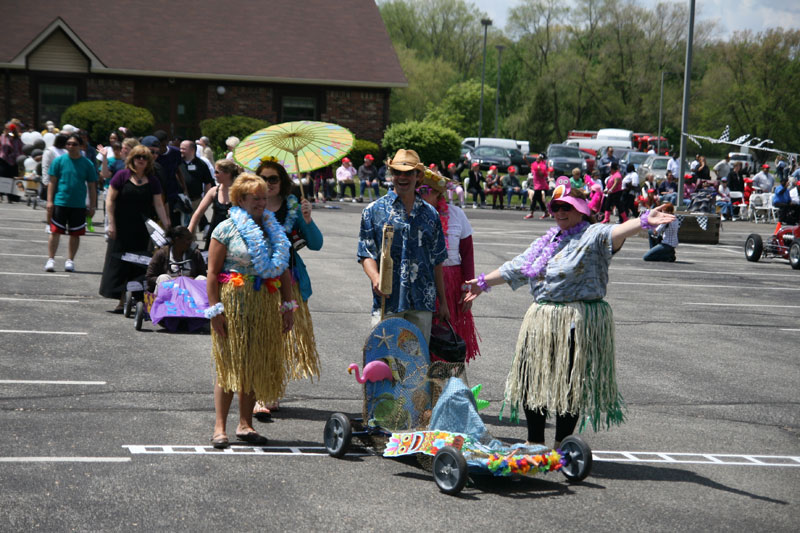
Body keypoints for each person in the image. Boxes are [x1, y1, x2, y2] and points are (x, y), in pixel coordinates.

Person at [463, 177, 676, 448]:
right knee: (532, 379)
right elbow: (516, 267)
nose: (560, 212)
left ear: (582, 210)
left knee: (568, 382)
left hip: (576, 320)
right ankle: (534, 442)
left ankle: (564, 444)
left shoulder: (593, 235)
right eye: (556, 207)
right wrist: (482, 283)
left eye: (567, 207)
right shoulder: (547, 240)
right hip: (542, 319)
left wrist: (645, 220)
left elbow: (618, 231)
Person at [206, 173, 296, 449]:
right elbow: (211, 272)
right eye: (255, 198)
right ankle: (220, 427)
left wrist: (288, 305)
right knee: (231, 363)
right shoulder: (225, 229)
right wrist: (215, 310)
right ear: (240, 199)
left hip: (265, 302)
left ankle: (245, 424)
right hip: (234, 301)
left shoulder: (274, 230)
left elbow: (283, 270)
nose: (261, 202)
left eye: (264, 197)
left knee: (255, 361)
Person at [252, 157, 323, 416]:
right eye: (264, 178)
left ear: (282, 182)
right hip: (254, 282)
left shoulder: (293, 207)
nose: (268, 183)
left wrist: (308, 219)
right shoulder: (250, 207)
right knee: (259, 337)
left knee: (279, 339)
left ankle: (270, 392)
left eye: (274, 179)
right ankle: (259, 393)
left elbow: (315, 244)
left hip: (289, 282)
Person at [357, 148, 449, 345]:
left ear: (419, 176)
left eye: (408, 173)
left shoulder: (431, 215)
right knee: (382, 365)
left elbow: (437, 261)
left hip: (422, 302)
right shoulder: (373, 211)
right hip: (388, 300)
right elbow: (366, 254)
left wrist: (444, 302)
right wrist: (375, 278)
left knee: (414, 369)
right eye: (397, 172)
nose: (402, 177)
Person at [416, 169, 480, 360]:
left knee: (449, 327)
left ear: (439, 193)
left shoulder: (456, 214)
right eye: (419, 189)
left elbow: (467, 253)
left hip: (452, 278)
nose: (421, 193)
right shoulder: (414, 213)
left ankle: (447, 372)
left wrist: (467, 286)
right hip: (423, 278)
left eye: (426, 189)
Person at [99, 145, 171, 311]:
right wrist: (111, 223)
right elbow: (110, 200)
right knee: (119, 261)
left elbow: (159, 204)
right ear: (132, 158)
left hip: (142, 228)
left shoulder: (153, 180)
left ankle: (136, 298)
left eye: (144, 157)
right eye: (138, 156)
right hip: (121, 225)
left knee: (139, 262)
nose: (141, 160)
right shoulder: (121, 176)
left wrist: (167, 224)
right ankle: (121, 299)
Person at [44, 133, 98, 273]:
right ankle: (51, 259)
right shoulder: (59, 161)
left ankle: (70, 260)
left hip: (79, 205)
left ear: (81, 146)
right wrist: (50, 201)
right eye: (68, 144)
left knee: (75, 234)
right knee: (55, 232)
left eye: (74, 144)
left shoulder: (87, 164)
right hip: (60, 202)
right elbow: (52, 182)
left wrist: (92, 206)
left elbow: (92, 186)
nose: (71, 146)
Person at [188, 159, 239, 250]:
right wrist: (189, 233)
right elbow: (198, 213)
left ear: (228, 173)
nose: (214, 175)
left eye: (217, 172)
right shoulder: (214, 191)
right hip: (215, 234)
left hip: (233, 235)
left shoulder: (238, 192)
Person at [145, 226, 207, 295]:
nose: (190, 242)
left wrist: (188, 280)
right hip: (169, 292)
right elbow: (149, 277)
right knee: (163, 277)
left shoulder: (195, 254)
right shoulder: (161, 254)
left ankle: (203, 304)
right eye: (188, 239)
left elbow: (203, 274)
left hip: (189, 292)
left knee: (202, 278)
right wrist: (173, 280)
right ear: (177, 240)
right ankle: (163, 304)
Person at [179, 140, 214, 225]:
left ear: (192, 150)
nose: (181, 151)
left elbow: (208, 183)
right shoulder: (177, 162)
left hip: (196, 200)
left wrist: (206, 199)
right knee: (183, 225)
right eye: (180, 148)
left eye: (184, 149)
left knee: (193, 225)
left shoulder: (201, 164)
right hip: (181, 200)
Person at [526, 154, 550, 219]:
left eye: (538, 158)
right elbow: (530, 166)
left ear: (541, 159)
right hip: (536, 184)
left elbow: (542, 175)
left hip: (541, 185)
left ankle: (531, 213)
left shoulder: (543, 166)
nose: (537, 159)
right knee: (539, 200)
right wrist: (525, 159)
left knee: (534, 199)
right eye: (537, 158)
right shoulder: (535, 164)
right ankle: (546, 213)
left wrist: (539, 170)